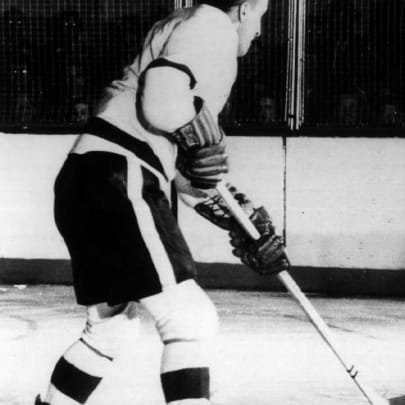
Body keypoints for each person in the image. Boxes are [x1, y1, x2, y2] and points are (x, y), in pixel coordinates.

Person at [37, 1, 289, 404]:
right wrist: (201, 137)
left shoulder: (180, 25)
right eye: (261, 16)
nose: (258, 31)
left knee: (110, 330)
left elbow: (184, 171)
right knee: (190, 320)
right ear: (249, 7)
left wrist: (242, 221)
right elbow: (162, 100)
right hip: (121, 175)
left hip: (88, 176)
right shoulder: (214, 26)